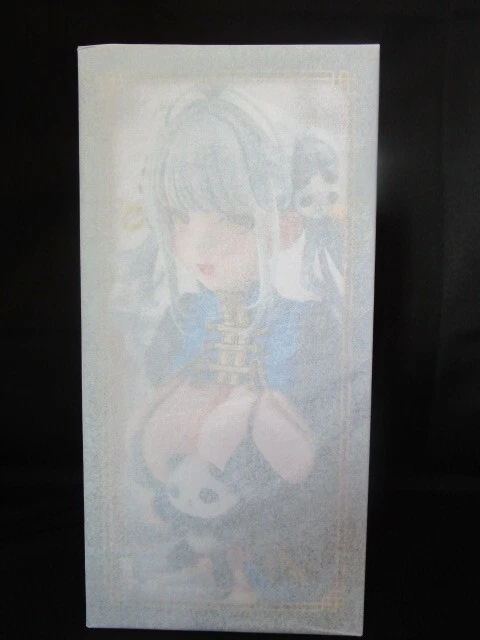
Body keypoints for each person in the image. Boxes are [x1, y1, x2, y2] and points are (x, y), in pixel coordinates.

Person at [117, 86, 346, 601]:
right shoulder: (182, 319)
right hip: (191, 486)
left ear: (286, 225)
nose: (201, 243)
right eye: (181, 216)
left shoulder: (309, 323)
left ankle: (252, 569)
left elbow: (323, 431)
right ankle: (207, 558)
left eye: (235, 218)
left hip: (273, 493)